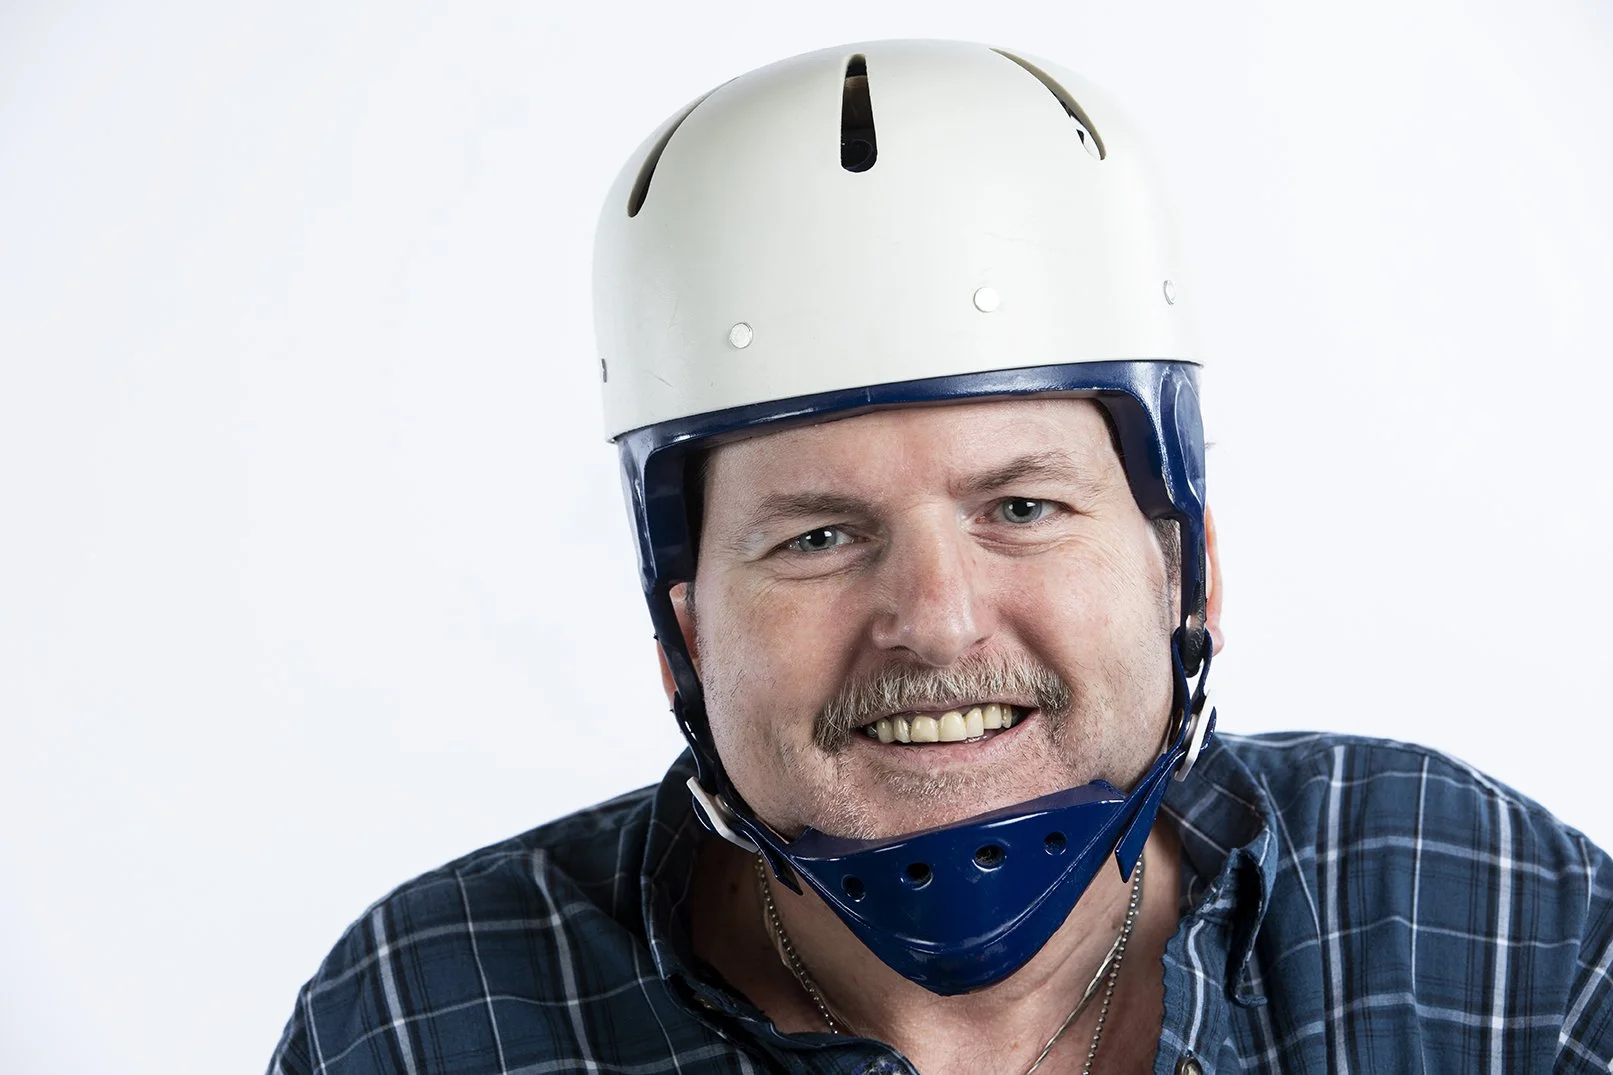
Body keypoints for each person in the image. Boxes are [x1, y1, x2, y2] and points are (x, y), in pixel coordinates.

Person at [266, 39, 1613, 1074]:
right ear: (681, 629)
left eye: (1021, 507)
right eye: (817, 535)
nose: (938, 616)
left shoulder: (1480, 912)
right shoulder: (426, 1014)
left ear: (1186, 566)